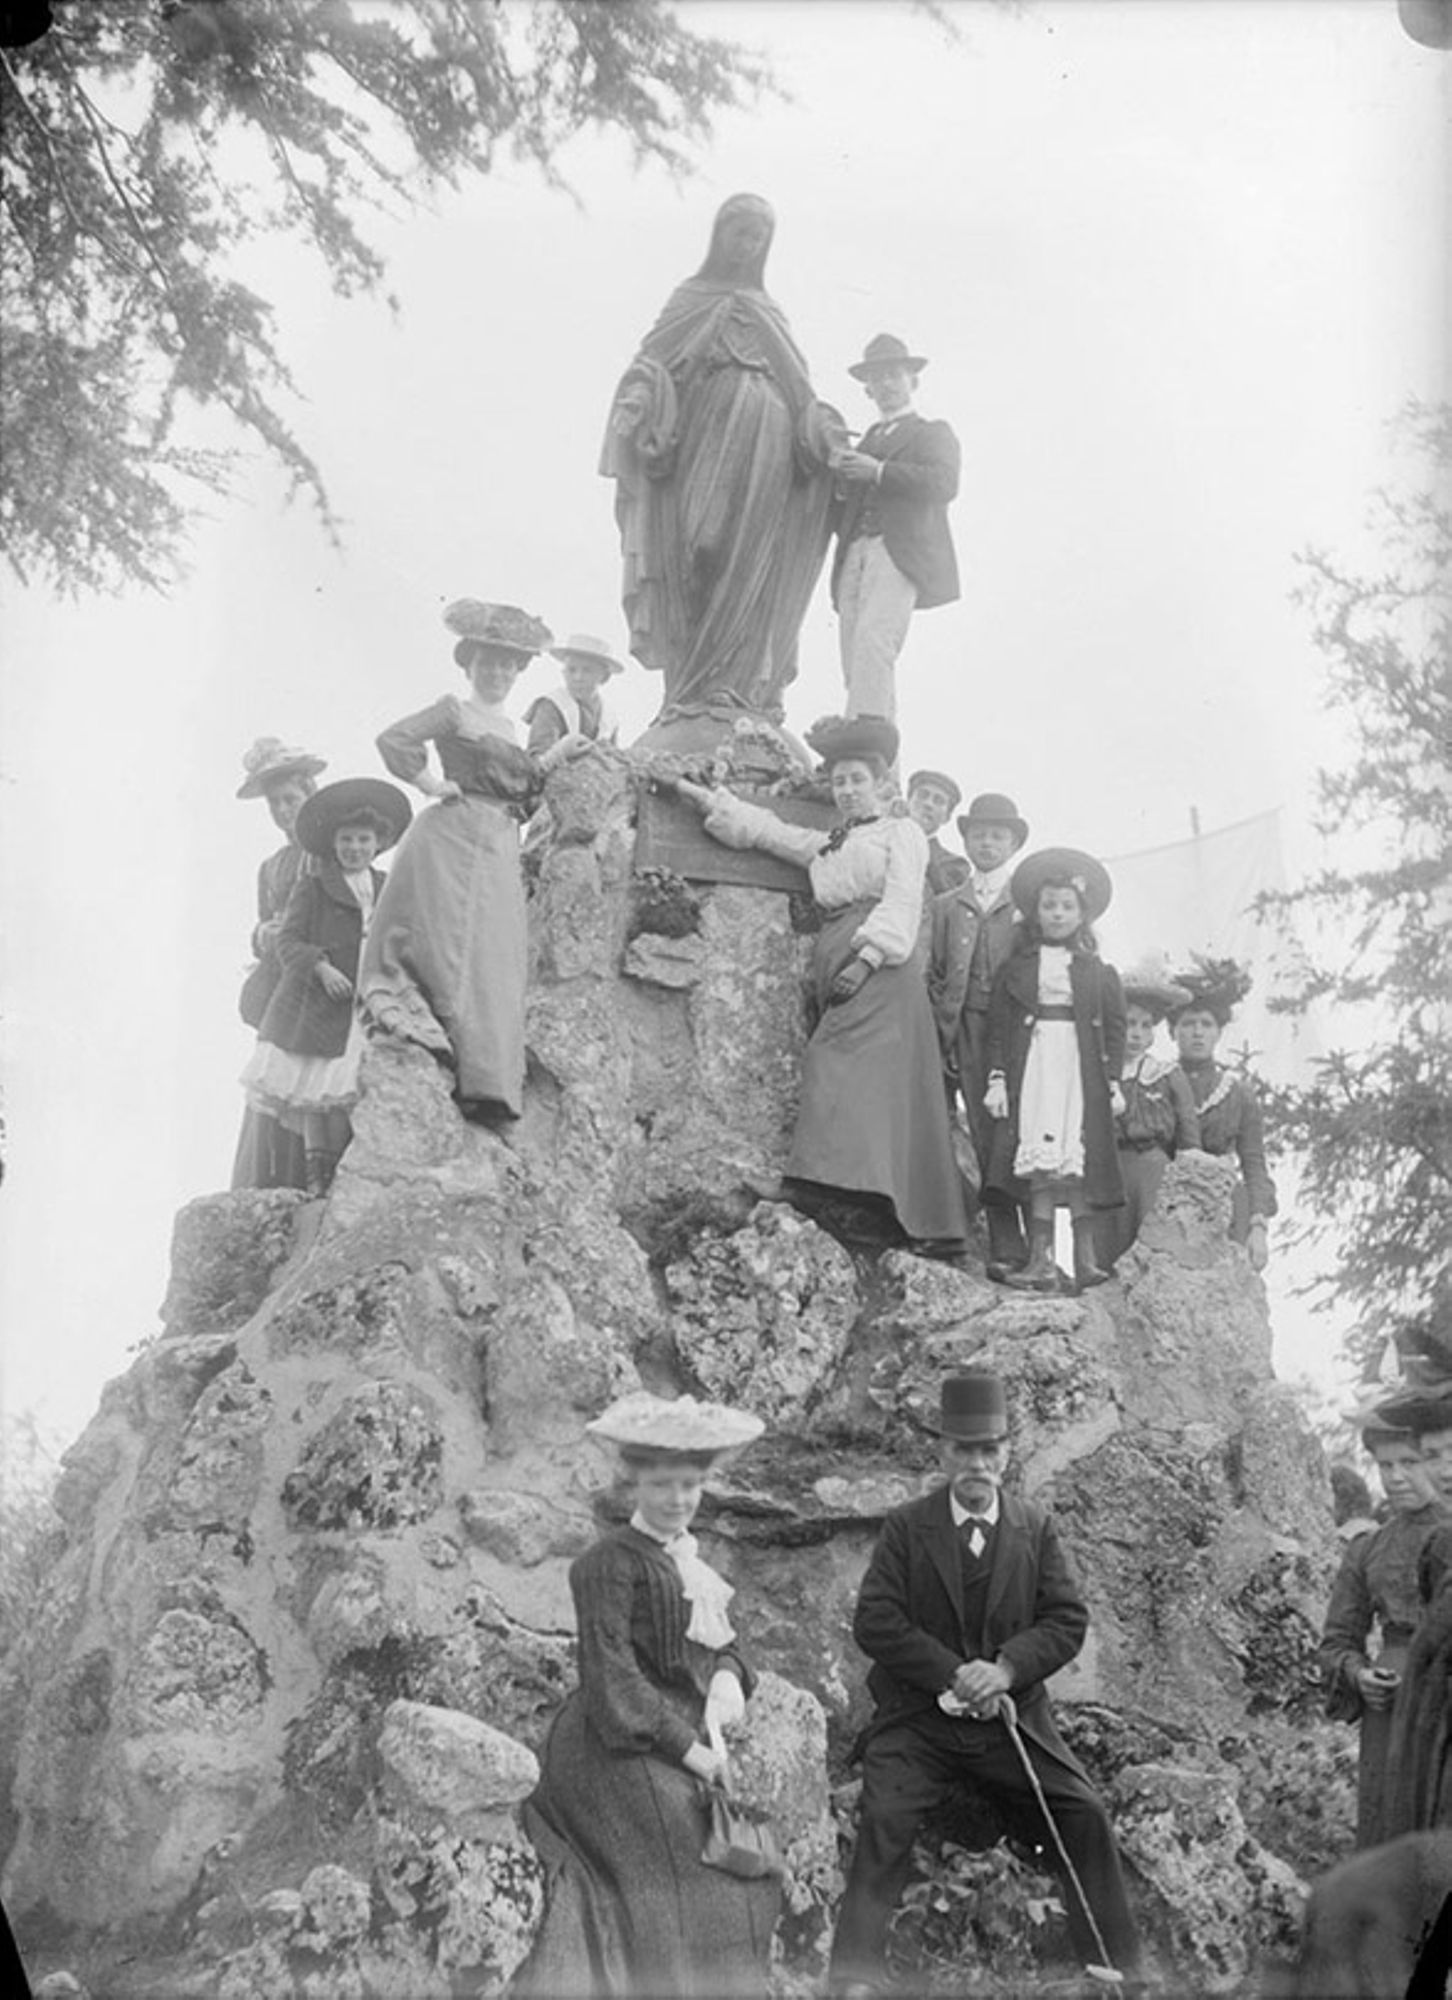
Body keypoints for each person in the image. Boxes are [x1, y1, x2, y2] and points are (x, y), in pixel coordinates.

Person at [827, 1370, 1142, 1996]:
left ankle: (1116, 1971)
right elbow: (876, 1622)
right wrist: (953, 1673)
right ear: (943, 1452)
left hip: (1011, 1724)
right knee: (885, 1816)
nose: (977, 1462)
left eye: (989, 1449)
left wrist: (1003, 1670)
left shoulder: (1034, 1528)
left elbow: (1065, 1619)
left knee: (1082, 1812)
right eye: (964, 1449)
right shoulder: (907, 1527)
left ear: (1007, 1452)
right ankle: (853, 1977)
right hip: (919, 1721)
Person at [675, 715, 969, 1258]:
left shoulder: (900, 832)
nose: (847, 790)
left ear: (882, 784)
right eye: (839, 781)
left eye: (858, 779)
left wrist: (866, 960)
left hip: (878, 969)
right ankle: (867, 1206)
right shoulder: (833, 841)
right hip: (837, 959)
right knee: (868, 1088)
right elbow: (767, 832)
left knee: (836, 1065)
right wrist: (696, 795)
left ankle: (810, 1186)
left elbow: (903, 900)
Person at [516, 1391, 778, 1999]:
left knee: (751, 1865)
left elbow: (727, 1645)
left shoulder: (689, 1562)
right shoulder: (607, 1564)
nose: (678, 1499)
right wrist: (696, 1753)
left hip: (671, 1737)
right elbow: (614, 1681)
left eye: (691, 1484)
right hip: (610, 1748)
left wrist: (727, 1678)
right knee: (692, 1868)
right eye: (662, 1484)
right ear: (634, 1480)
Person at [601, 193, 841, 724]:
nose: (747, 244)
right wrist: (636, 400)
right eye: (739, 233)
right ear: (719, 236)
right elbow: (651, 362)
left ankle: (737, 691)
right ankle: (686, 688)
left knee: (752, 561)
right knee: (697, 546)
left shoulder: (769, 309)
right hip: (706, 433)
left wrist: (827, 432)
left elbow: (803, 390)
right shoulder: (690, 297)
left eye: (758, 238)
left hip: (769, 440)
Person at [358, 600, 582, 1123]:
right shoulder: (455, 711)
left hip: (500, 845)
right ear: (469, 664)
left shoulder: (508, 728)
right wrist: (432, 784)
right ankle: (439, 1056)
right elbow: (394, 739)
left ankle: (487, 1086)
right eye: (488, 662)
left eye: (508, 665)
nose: (498, 673)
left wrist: (562, 751)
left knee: (492, 959)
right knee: (446, 949)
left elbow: (524, 789)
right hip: (451, 838)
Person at [240, 778, 410, 1194]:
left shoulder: (388, 886)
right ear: (334, 844)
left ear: (378, 843)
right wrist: (321, 967)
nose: (354, 848)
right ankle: (318, 1172)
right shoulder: (313, 886)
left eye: (363, 840)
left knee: (352, 1080)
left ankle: (355, 1168)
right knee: (315, 1083)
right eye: (346, 840)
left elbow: (404, 936)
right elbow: (288, 941)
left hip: (368, 996)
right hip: (321, 1000)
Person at [983, 848, 1126, 1293]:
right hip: (1036, 1065)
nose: (1058, 914)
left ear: (1082, 915)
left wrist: (1114, 1081)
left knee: (1077, 1158)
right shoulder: (1016, 969)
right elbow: (998, 1028)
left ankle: (1085, 1260)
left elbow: (1115, 1028)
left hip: (1079, 1071)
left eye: (1067, 906)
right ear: (1036, 913)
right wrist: (998, 1077)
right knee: (1040, 1158)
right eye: (1049, 906)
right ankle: (1041, 1260)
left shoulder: (1098, 973)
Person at [1318, 1422, 1447, 1849]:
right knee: (1390, 1833)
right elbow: (1337, 1643)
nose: (1395, 1477)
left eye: (1409, 1462)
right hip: (1390, 1713)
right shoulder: (1368, 1549)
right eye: (1384, 1464)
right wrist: (1358, 1676)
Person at [830, 333, 960, 722]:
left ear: (912, 381)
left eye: (893, 375)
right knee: (856, 654)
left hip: (896, 550)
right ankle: (877, 764)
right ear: (867, 390)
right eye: (877, 378)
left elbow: (944, 483)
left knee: (874, 642)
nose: (886, 384)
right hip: (855, 550)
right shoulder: (865, 441)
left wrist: (880, 471)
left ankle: (859, 741)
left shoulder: (931, 432)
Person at [932, 793, 1032, 1278]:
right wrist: (943, 1031)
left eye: (997, 835)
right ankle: (997, 1240)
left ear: (1012, 843)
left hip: (1016, 1033)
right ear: (966, 840)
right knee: (976, 1130)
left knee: (1016, 1129)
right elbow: (934, 972)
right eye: (979, 834)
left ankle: (1035, 1242)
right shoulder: (949, 905)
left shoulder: (1026, 905)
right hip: (964, 1026)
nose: (987, 843)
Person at [231, 736, 327, 1191]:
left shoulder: (328, 853)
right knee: (270, 1080)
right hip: (279, 985)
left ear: (309, 796)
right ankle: (261, 1183)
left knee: (309, 1079)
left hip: (316, 981)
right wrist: (262, 934)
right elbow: (260, 926)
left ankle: (303, 1177)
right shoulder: (270, 867)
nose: (284, 810)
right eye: (275, 803)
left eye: (291, 799)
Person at [1166, 958, 1277, 1268]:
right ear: (1173, 1031)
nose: (1197, 1033)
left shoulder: (1238, 1093)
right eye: (1188, 1024)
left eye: (1206, 1025)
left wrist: (1258, 1229)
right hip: (1171, 1205)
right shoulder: (1160, 1084)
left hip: (1227, 1206)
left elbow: (1254, 1164)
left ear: (1218, 1033)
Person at [1093, 961, 1202, 1269]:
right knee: (1105, 1251)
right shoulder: (1099, 1075)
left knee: (1152, 1248)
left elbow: (1189, 1135)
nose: (1136, 1034)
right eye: (1128, 1024)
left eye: (1144, 1025)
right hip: (1108, 1168)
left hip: (1152, 1168)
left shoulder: (1167, 1075)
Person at [525, 632, 625, 757]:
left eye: (587, 671)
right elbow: (535, 762)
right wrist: (560, 753)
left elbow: (614, 760)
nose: (578, 678)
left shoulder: (609, 717)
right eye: (571, 670)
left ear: (604, 677)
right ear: (564, 672)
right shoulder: (552, 705)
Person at [904, 769, 969, 895]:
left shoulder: (955, 865)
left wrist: (918, 839)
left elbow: (945, 897)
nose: (928, 804)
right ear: (908, 801)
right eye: (923, 795)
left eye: (938, 801)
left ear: (946, 818)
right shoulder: (883, 843)